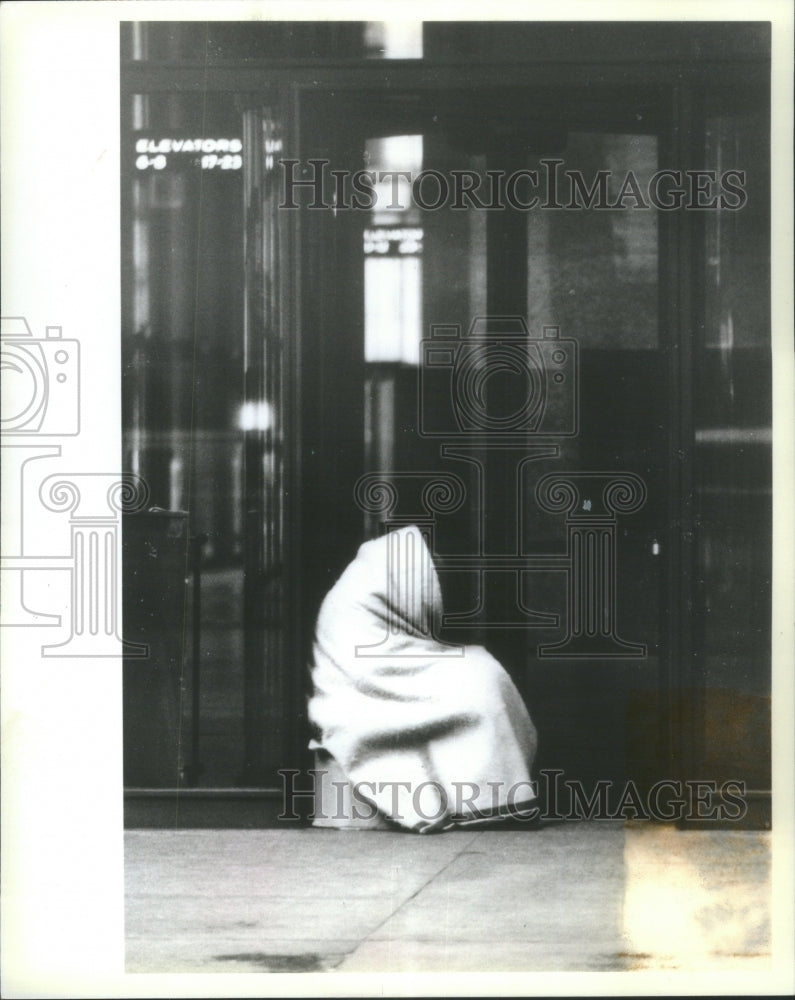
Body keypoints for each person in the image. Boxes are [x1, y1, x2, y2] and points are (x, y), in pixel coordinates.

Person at [308, 523, 538, 832]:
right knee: (479, 677)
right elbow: (372, 670)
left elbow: (395, 656)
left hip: (384, 687)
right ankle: (491, 797)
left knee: (480, 671)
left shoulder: (362, 587)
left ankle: (492, 791)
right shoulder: (353, 605)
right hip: (359, 704)